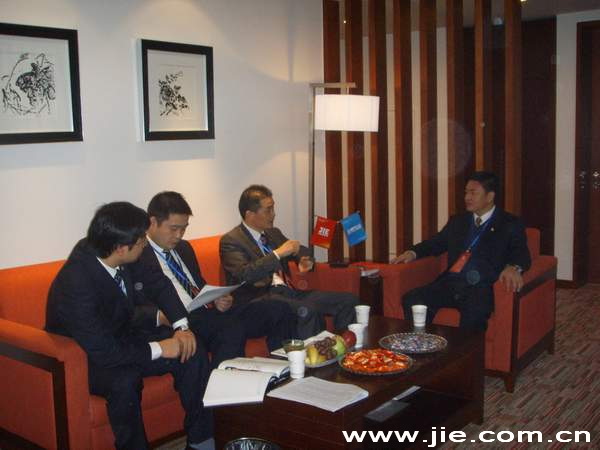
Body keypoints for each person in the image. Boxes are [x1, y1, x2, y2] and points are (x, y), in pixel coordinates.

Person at [45, 202, 214, 450]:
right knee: (125, 380)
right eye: (142, 241)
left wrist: (181, 326)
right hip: (85, 356)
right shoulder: (76, 282)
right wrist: (161, 348)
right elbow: (104, 351)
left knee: (191, 350)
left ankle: (201, 441)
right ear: (122, 249)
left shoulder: (112, 247)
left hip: (123, 336)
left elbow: (158, 283)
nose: (146, 244)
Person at [136, 191, 295, 356]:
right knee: (229, 329)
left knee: (279, 309)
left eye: (183, 229)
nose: (179, 235)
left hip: (208, 313)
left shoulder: (184, 248)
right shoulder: (139, 255)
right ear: (152, 222)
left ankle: (284, 365)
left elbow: (198, 285)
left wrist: (216, 298)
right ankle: (224, 373)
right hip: (179, 320)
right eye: (174, 228)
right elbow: (138, 305)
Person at [392, 171, 531, 331]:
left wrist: (514, 267)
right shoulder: (458, 221)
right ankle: (427, 341)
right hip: (451, 283)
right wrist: (412, 252)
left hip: (481, 288)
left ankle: (467, 348)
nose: (467, 197)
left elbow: (521, 253)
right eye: (466, 192)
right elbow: (436, 243)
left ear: (490, 196)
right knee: (413, 299)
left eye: (473, 193)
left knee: (474, 312)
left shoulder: (509, 223)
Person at [220, 185, 358, 339]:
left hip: (288, 293)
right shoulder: (232, 240)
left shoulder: (273, 233)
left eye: (273, 208)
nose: (273, 214)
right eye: (268, 210)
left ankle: (345, 347)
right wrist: (278, 254)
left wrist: (304, 259)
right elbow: (244, 274)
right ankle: (315, 353)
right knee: (308, 310)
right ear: (250, 214)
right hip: (259, 299)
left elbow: (299, 249)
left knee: (348, 301)